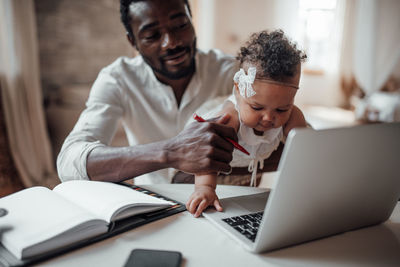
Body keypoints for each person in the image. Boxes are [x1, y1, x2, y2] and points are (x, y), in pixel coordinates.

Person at [57, 0, 240, 184]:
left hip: (223, 200)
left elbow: (269, 144)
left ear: (192, 21)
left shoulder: (231, 72)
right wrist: (170, 152)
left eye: (180, 25)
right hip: (152, 203)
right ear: (133, 41)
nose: (171, 43)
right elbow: (69, 164)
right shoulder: (118, 79)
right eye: (152, 35)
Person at [186, 30, 308, 217]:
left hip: (249, 170)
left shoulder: (293, 116)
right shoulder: (230, 117)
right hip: (218, 166)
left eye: (281, 109)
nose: (268, 118)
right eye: (257, 108)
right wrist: (205, 188)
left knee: (247, 197)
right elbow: (208, 151)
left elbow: (304, 149)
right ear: (239, 89)